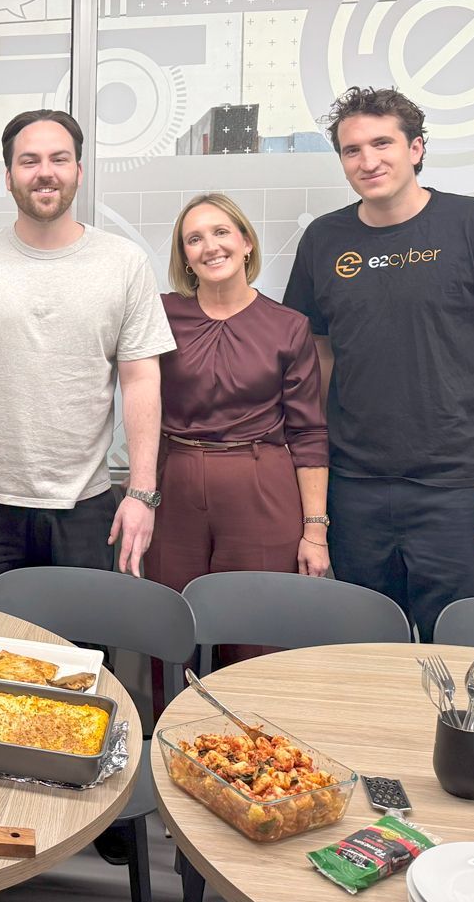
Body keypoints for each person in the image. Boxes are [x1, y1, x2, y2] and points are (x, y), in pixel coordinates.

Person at [284, 86, 474, 641]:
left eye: (383, 143)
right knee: (365, 660)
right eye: (351, 150)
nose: (368, 161)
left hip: (460, 491)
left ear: (416, 148)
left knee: (462, 664)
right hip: (355, 490)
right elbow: (314, 360)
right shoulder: (324, 240)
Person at [0, 108, 176, 600]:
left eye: (59, 158)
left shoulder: (124, 263)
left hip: (86, 502)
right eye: (29, 161)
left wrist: (142, 493)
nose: (45, 172)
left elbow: (142, 380)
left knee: (83, 658)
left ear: (79, 170)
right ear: (8, 176)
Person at [146, 193, 330, 662]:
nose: (210, 246)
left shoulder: (288, 326)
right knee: (169, 626)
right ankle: (170, 728)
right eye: (194, 238)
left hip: (261, 482)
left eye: (221, 232)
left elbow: (308, 433)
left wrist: (315, 531)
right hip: (177, 481)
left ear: (246, 242)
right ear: (184, 256)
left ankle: (248, 734)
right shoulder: (160, 315)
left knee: (255, 632)